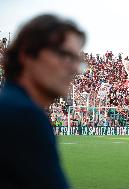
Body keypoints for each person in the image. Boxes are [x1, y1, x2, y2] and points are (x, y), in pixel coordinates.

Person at [0, 14, 86, 189]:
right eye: (64, 55)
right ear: (27, 54)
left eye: (76, 60)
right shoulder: (24, 116)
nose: (75, 69)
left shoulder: (10, 104)